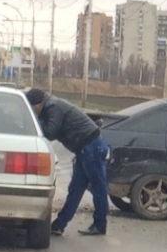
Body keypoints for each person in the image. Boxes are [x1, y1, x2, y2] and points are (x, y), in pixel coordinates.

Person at [24, 88, 109, 236]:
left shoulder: (53, 107)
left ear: (37, 104)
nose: (33, 113)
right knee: (75, 189)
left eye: (32, 109)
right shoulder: (51, 106)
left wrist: (35, 122)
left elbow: (50, 132)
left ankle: (100, 224)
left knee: (98, 188)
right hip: (84, 149)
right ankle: (59, 225)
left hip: (91, 147)